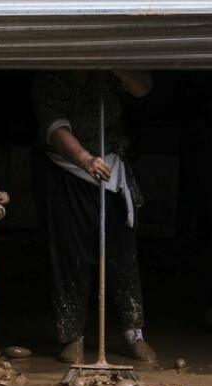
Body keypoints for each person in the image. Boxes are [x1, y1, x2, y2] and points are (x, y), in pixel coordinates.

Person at [31, 70, 157, 365]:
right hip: (67, 169)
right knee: (71, 254)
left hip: (110, 168)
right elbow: (54, 127)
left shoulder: (107, 72)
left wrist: (115, 64)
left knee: (121, 253)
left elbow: (143, 88)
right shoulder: (51, 77)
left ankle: (133, 335)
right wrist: (85, 159)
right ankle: (72, 338)